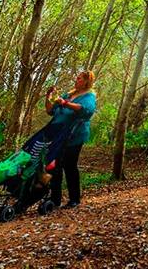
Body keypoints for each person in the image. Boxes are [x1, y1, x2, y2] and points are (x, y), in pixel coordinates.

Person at [44, 70, 97, 209]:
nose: (76, 80)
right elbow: (50, 111)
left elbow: (85, 109)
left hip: (75, 135)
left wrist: (65, 103)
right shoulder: (68, 94)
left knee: (69, 165)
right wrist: (48, 96)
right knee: (54, 166)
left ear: (86, 81)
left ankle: (74, 199)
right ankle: (55, 200)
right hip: (58, 135)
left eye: (79, 78)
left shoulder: (89, 96)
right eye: (77, 78)